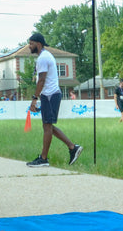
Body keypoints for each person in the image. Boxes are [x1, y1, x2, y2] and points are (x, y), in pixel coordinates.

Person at [25, 32, 82, 168]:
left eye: (31, 43)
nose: (29, 46)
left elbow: (42, 80)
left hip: (50, 96)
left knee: (47, 126)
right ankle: (72, 147)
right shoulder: (44, 56)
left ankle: (44, 159)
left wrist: (34, 99)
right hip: (49, 95)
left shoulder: (43, 58)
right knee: (48, 126)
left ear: (38, 44)